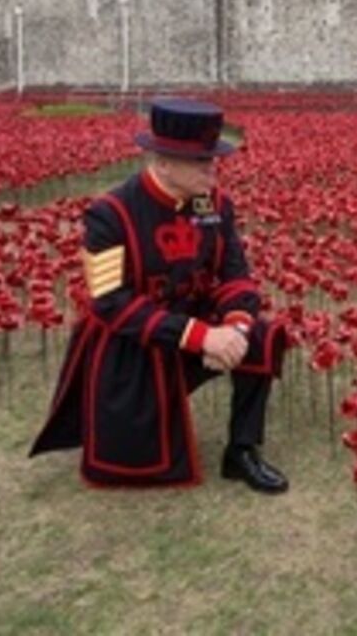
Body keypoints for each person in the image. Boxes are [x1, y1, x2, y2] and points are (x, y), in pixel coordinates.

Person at [31, 98, 289, 493]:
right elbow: (110, 303)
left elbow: (236, 275)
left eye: (212, 158)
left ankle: (242, 450)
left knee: (260, 336)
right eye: (200, 161)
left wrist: (234, 330)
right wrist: (201, 337)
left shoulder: (214, 205)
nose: (212, 168)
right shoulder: (111, 213)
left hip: (199, 321)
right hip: (134, 341)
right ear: (163, 163)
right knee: (135, 459)